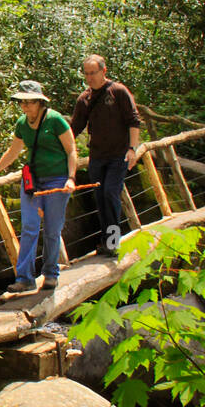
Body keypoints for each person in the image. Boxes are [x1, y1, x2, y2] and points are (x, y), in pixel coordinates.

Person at [0, 80, 77, 293]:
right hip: (33, 181)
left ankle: (51, 274)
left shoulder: (55, 121)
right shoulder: (22, 123)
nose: (25, 107)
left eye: (29, 103)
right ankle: (25, 278)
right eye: (22, 103)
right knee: (29, 227)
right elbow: (13, 151)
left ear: (40, 102)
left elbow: (71, 150)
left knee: (52, 229)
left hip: (57, 180)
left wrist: (71, 178)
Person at [69, 55, 145, 258]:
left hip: (118, 155)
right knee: (100, 198)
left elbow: (133, 120)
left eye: (93, 73)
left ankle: (112, 242)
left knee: (111, 193)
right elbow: (74, 128)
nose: (89, 77)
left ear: (104, 71)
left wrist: (133, 149)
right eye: (86, 74)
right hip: (97, 157)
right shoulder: (84, 99)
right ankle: (106, 241)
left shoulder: (118, 92)